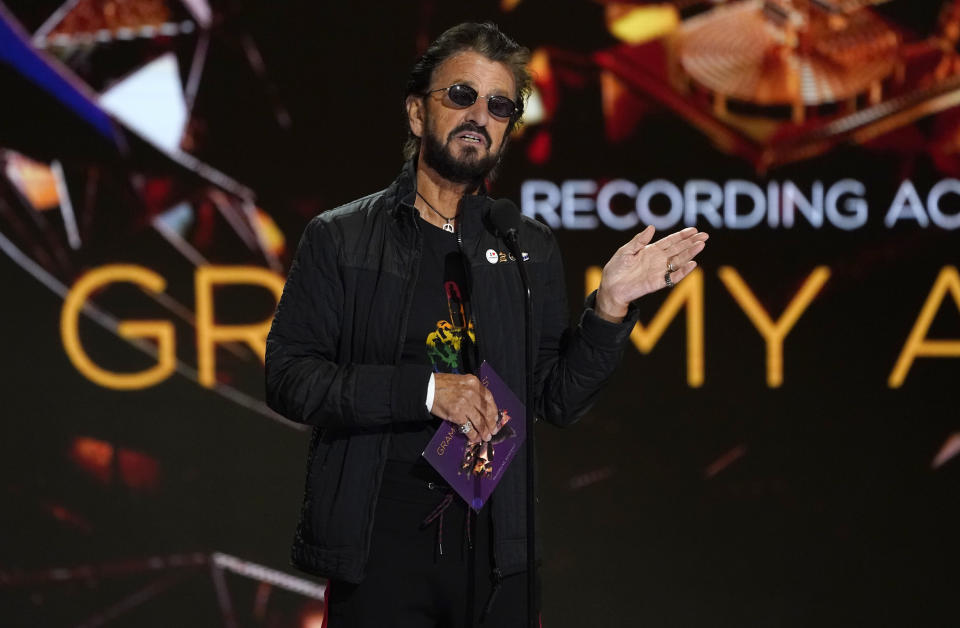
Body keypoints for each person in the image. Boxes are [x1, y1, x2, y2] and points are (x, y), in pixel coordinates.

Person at [265, 21, 708, 628]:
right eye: (461, 96)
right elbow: (290, 377)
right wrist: (427, 391)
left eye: (500, 106)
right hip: (379, 545)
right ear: (417, 114)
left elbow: (555, 397)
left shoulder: (526, 247)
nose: (480, 115)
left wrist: (608, 309)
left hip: (499, 547)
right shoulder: (341, 237)